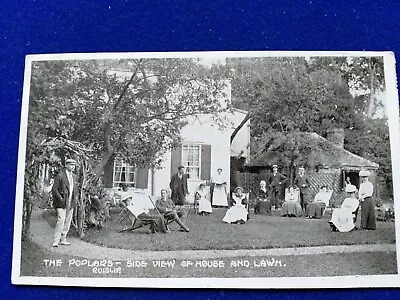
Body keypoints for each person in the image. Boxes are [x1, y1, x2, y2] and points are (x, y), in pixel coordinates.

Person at [51, 158, 78, 247]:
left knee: (67, 221)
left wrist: (75, 199)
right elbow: (54, 189)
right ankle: (56, 240)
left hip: (70, 202)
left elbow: (74, 189)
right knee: (61, 220)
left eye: (74, 165)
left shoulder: (74, 176)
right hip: (61, 202)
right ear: (66, 165)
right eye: (71, 165)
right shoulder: (60, 176)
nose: (72, 167)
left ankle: (63, 239)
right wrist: (61, 198)